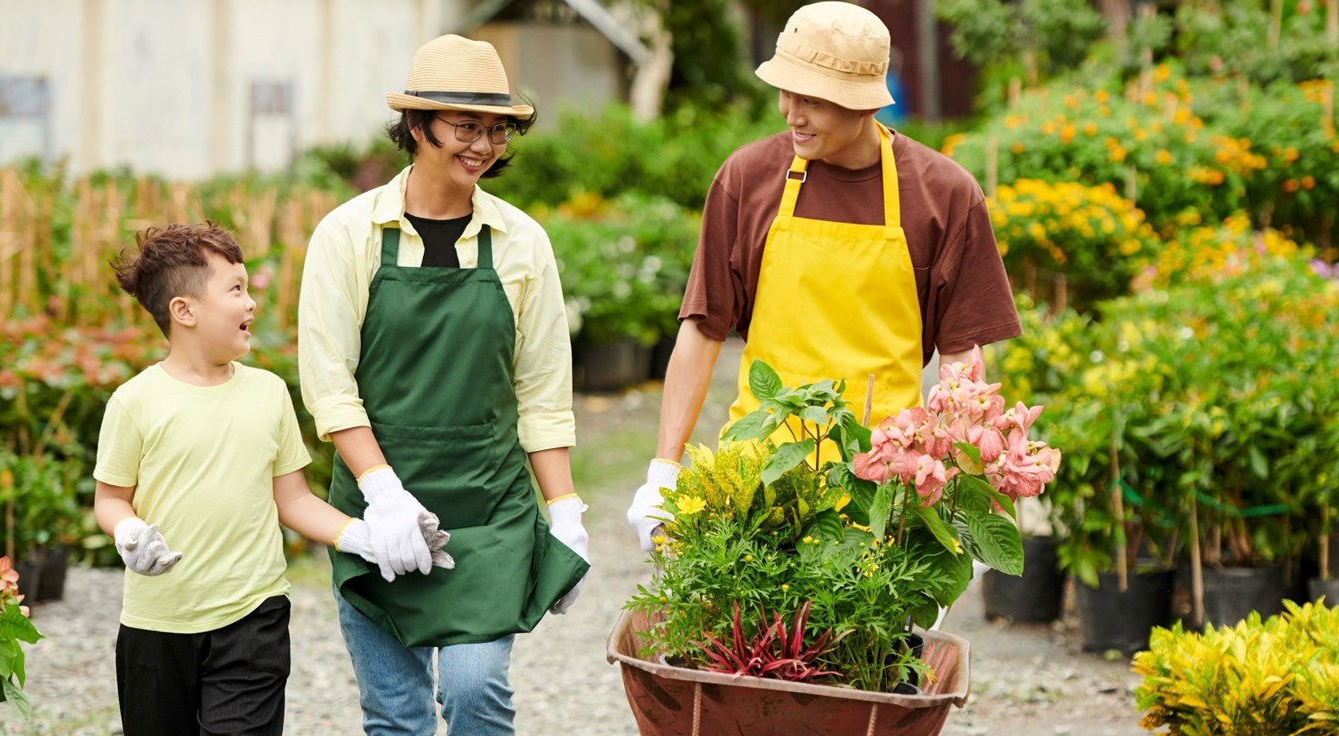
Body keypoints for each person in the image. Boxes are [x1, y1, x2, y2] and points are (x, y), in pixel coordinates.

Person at [626, 1, 1023, 549]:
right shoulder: (748, 178)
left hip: (884, 492)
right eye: (786, 92)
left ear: (864, 102)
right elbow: (702, 328)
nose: (791, 113)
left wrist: (962, 490)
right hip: (758, 482)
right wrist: (663, 471)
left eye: (812, 99)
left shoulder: (944, 194)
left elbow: (961, 361)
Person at [297, 34, 589, 735]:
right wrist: (384, 495)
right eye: (466, 126)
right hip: (379, 515)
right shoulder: (349, 235)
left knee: (473, 688)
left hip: (488, 512)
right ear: (418, 125)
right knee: (396, 717)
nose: (483, 145)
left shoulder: (521, 242)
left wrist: (567, 513)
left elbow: (542, 393)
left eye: (497, 129)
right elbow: (331, 385)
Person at [93, 223, 443, 735]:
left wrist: (367, 538)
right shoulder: (134, 402)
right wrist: (128, 532)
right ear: (184, 311)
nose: (251, 302)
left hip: (253, 616)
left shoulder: (269, 392)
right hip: (157, 624)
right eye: (235, 289)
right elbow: (110, 499)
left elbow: (293, 499)